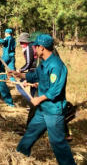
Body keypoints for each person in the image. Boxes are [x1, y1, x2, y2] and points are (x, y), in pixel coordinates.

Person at [10, 34, 76, 165]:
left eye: (35, 47)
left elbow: (55, 90)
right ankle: (19, 156)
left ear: (41, 48)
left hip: (53, 110)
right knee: (30, 133)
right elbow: (35, 76)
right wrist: (20, 74)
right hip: (43, 109)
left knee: (58, 142)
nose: (34, 50)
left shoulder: (56, 65)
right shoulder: (43, 63)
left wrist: (39, 99)